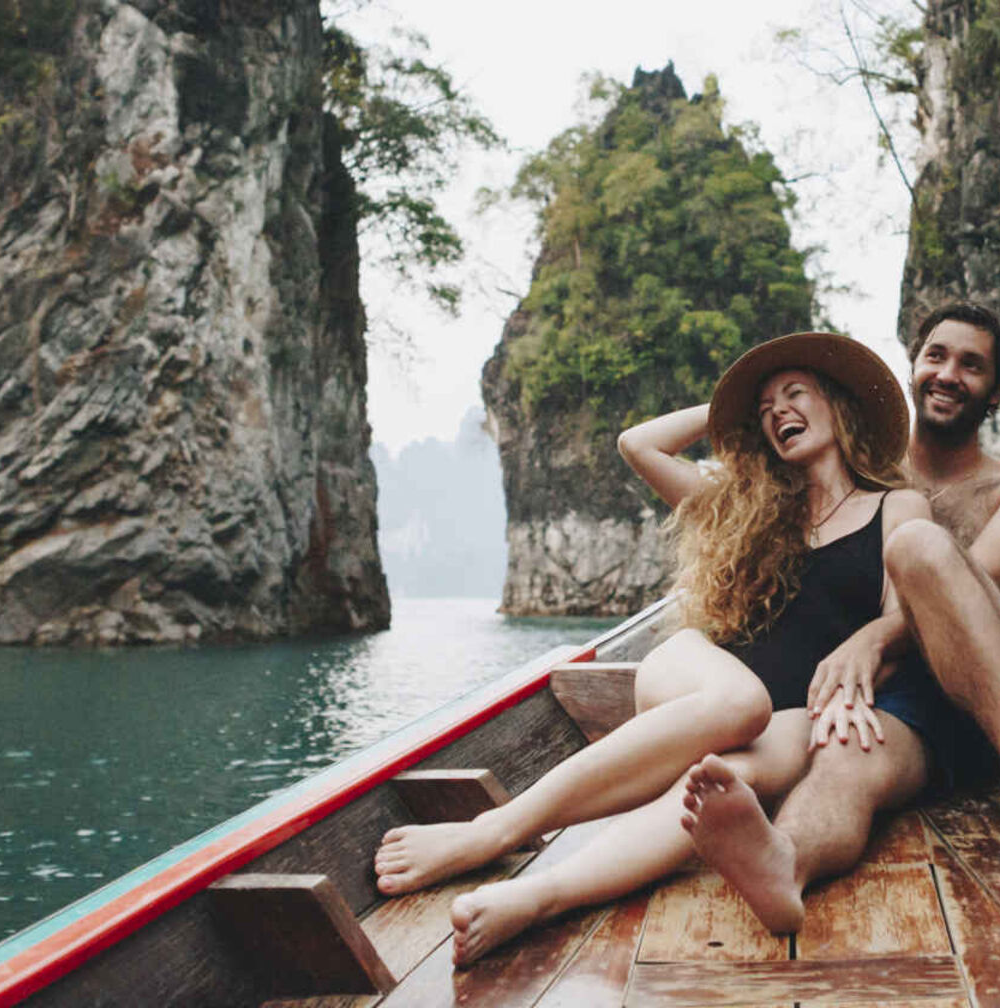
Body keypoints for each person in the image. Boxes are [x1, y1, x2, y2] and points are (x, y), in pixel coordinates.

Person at [371, 331, 935, 963]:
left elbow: (905, 619)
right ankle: (488, 833)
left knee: (725, 780)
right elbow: (638, 444)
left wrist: (862, 655)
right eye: (767, 406)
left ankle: (539, 896)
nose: (779, 412)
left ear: (840, 405)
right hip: (700, 676)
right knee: (741, 702)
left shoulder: (898, 506)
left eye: (795, 394)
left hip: (793, 714)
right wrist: (733, 413)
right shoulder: (744, 506)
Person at [675, 303, 1000, 940]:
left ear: (996, 392)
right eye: (936, 357)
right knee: (843, 752)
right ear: (912, 370)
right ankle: (786, 862)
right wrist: (743, 410)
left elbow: (955, 587)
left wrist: (868, 638)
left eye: (971, 366)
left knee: (918, 547)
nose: (948, 374)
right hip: (911, 689)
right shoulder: (861, 477)